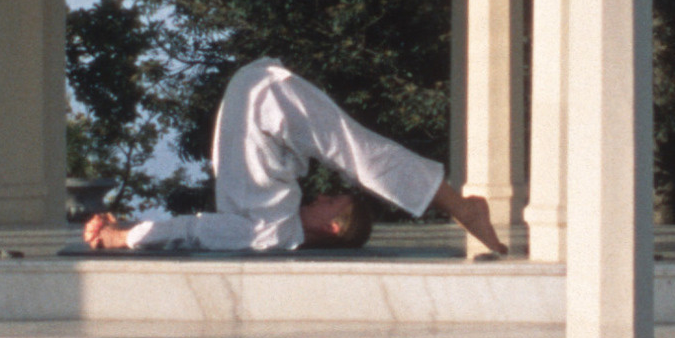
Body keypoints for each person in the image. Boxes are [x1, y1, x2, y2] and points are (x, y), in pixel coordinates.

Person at [79, 55, 508, 257]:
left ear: (334, 227)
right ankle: (459, 207)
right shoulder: (278, 220)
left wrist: (126, 234)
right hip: (266, 101)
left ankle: (462, 209)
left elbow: (194, 231)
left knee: (353, 149)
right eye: (331, 199)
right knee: (352, 149)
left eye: (330, 204)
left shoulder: (269, 234)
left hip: (263, 99)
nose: (322, 197)